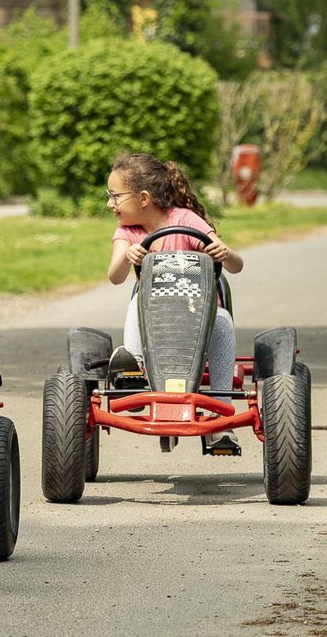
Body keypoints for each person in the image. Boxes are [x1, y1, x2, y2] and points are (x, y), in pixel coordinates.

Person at [105, 152, 245, 452]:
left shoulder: (185, 220)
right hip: (154, 316)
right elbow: (115, 276)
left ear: (143, 198)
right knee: (136, 302)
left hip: (199, 314)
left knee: (223, 323)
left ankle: (220, 410)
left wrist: (223, 253)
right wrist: (128, 257)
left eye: (114, 196)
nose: (109, 204)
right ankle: (135, 366)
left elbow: (235, 264)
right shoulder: (128, 233)